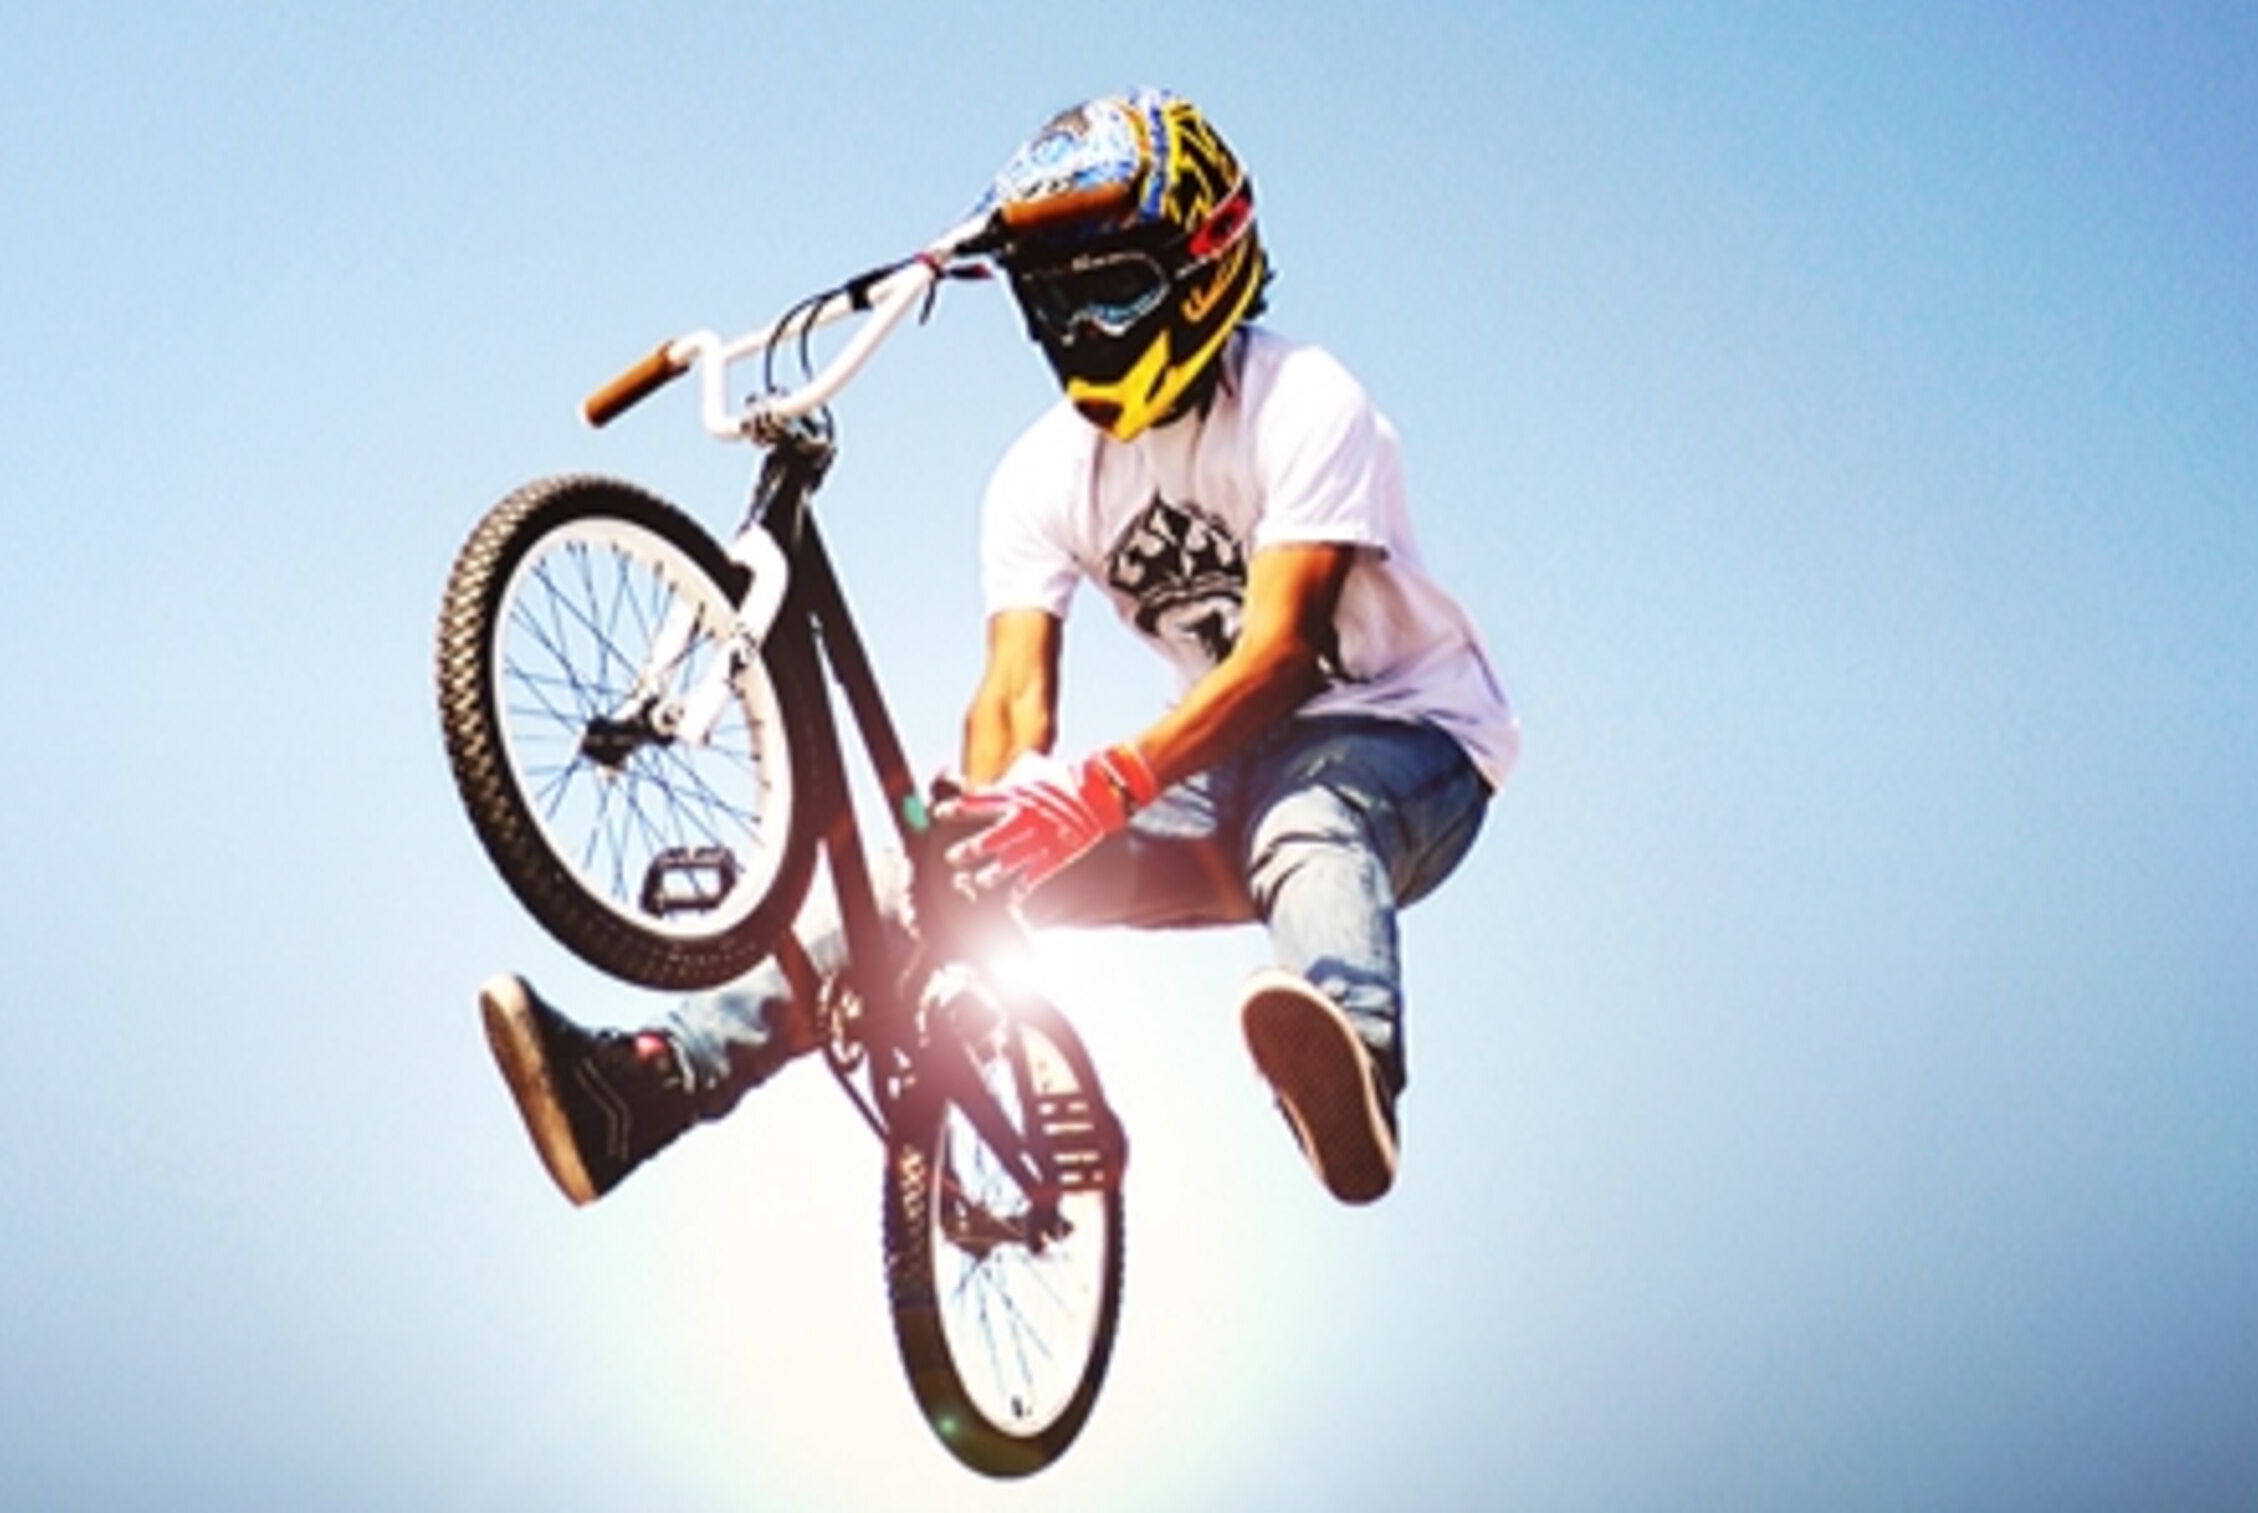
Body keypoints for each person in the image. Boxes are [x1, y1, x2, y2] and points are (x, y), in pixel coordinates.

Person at [480, 87, 1517, 1211]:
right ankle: (648, 1086)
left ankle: (1349, 1059)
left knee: (1306, 815)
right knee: (912, 879)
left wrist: (1106, 789)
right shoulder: (1038, 476)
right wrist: (980, 837)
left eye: (1115, 293)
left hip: (1404, 746)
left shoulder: (1300, 400)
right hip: (1209, 783)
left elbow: (1281, 656)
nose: (1086, 335)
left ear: (1203, 268)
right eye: (1056, 309)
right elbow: (1013, 696)